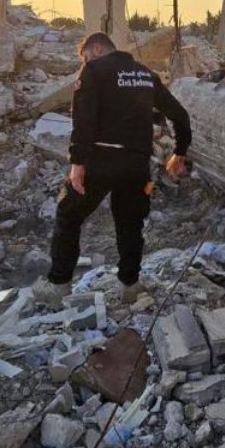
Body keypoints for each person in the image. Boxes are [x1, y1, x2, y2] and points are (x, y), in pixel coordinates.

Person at [37, 32, 192, 305]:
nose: (84, 61)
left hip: (100, 159)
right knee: (130, 224)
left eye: (85, 57)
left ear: (96, 49)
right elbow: (179, 114)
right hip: (137, 164)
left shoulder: (94, 70)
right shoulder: (145, 74)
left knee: (68, 214)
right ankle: (130, 286)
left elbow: (82, 119)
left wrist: (77, 163)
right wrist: (179, 152)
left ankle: (59, 285)